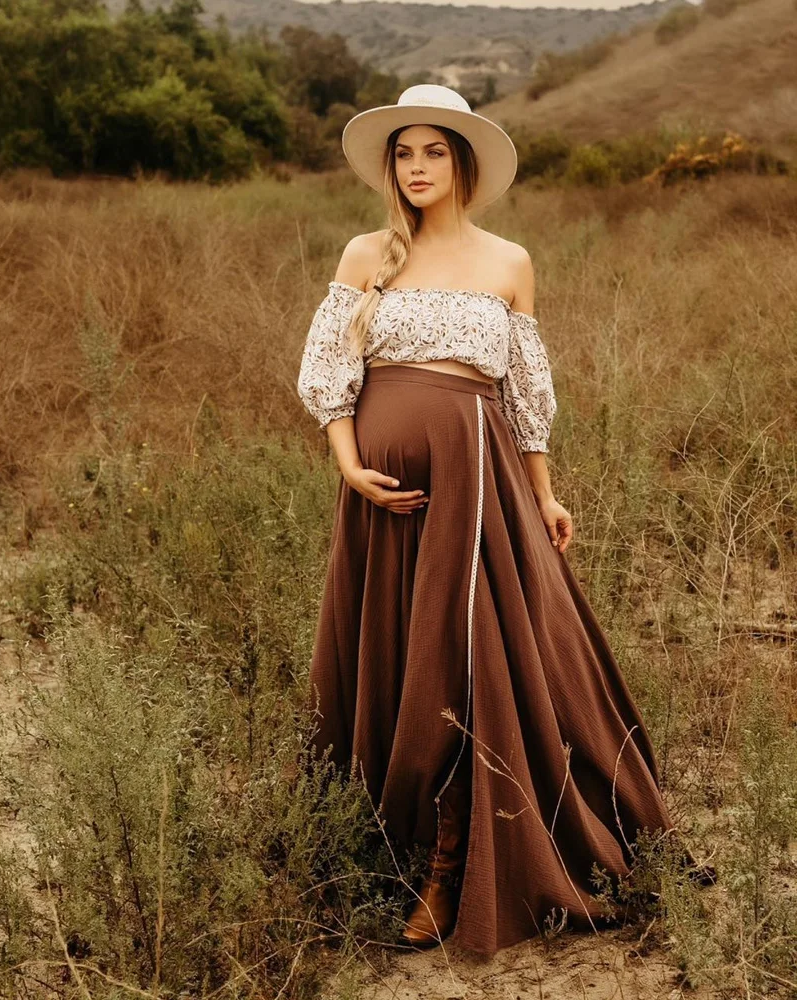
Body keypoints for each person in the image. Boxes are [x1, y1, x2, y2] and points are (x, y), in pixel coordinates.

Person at [295, 84, 715, 955]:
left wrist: (546, 490)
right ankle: (383, 841)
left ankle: (455, 866)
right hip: (380, 492)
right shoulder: (366, 252)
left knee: (468, 658)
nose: (415, 168)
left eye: (433, 152)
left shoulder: (508, 261)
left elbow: (525, 396)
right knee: (395, 652)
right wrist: (347, 466)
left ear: (465, 162)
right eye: (403, 154)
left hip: (479, 482)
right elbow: (330, 369)